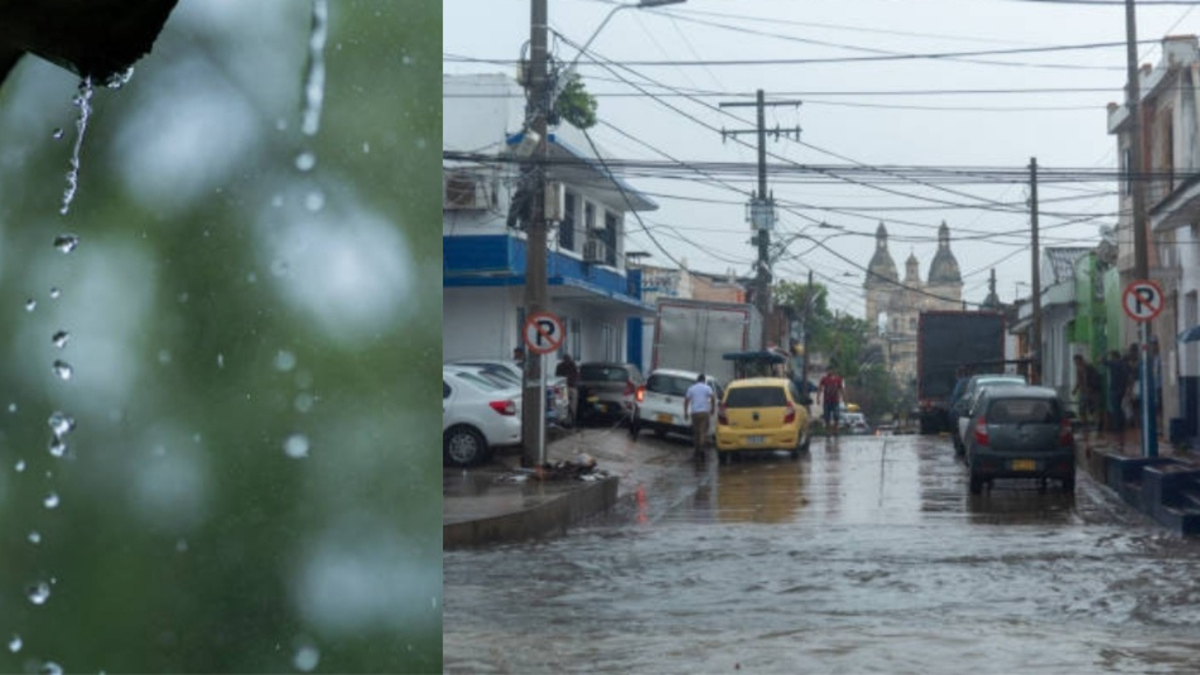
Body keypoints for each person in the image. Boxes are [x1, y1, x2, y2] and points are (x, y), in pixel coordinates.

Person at [682, 373, 716, 461]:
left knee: (696, 432)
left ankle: (696, 451)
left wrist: (685, 413)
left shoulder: (691, 388)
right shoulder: (707, 388)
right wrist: (712, 409)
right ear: (704, 380)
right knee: (702, 432)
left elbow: (686, 401)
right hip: (704, 413)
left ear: (697, 380)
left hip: (694, 413)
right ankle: (701, 449)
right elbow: (713, 398)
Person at [1072, 354, 1103, 432]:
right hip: (1086, 392)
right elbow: (1079, 380)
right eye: (1075, 362)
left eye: (1076, 361)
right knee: (1084, 410)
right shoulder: (1080, 368)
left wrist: (1077, 389)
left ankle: (1094, 425)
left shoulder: (1087, 367)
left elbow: (1083, 380)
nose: (1075, 363)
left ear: (1080, 360)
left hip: (1091, 392)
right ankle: (1087, 426)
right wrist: (1075, 389)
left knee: (1092, 410)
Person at [1103, 350, 1128, 434]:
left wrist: (1105, 353)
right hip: (1122, 389)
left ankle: (1118, 427)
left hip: (1114, 389)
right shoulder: (1123, 364)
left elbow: (1100, 360)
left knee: (1115, 408)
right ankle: (1121, 425)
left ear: (1113, 356)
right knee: (1119, 407)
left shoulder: (1113, 363)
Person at [818, 363, 845, 436]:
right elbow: (820, 388)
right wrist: (818, 398)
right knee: (827, 417)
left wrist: (844, 398)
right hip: (826, 401)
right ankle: (828, 432)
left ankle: (835, 431)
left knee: (836, 416)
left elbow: (841, 389)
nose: (829, 372)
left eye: (830, 370)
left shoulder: (838, 379)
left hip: (835, 401)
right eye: (828, 370)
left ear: (833, 371)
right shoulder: (824, 379)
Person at [554, 353, 580, 426]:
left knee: (571, 405)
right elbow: (557, 376)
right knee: (565, 405)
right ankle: (565, 421)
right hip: (565, 387)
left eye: (567, 359)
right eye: (565, 359)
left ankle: (571, 421)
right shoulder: (560, 366)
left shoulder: (573, 366)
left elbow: (576, 377)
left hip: (570, 387)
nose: (566, 361)